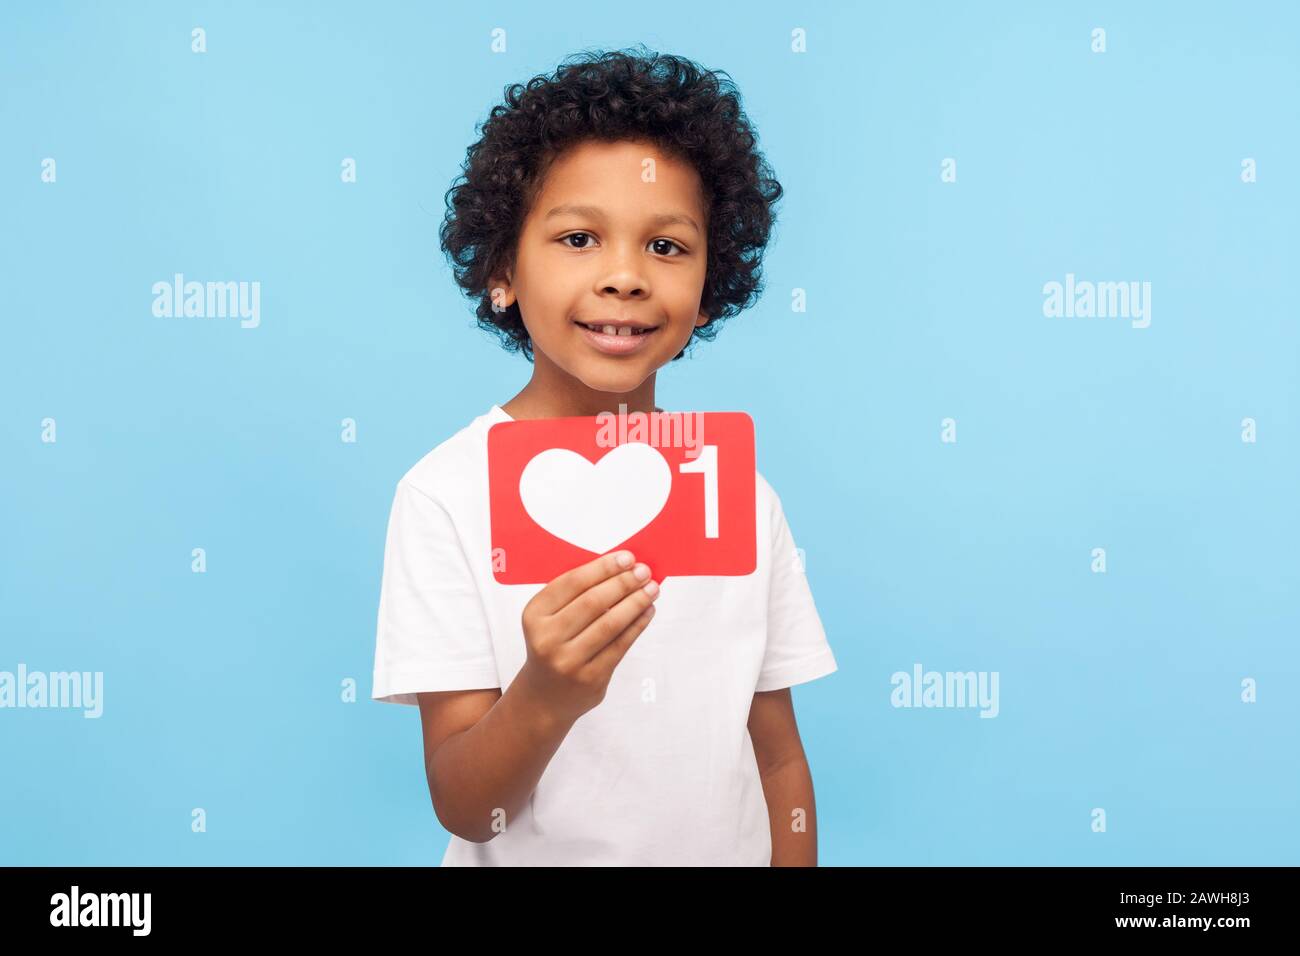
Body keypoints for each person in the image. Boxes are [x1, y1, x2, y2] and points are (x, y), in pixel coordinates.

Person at [372, 47, 837, 865]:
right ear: (504, 270)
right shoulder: (444, 495)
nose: (624, 276)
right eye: (580, 237)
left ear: (709, 282)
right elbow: (467, 809)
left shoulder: (736, 496)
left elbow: (780, 758)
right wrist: (545, 697)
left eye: (667, 247)